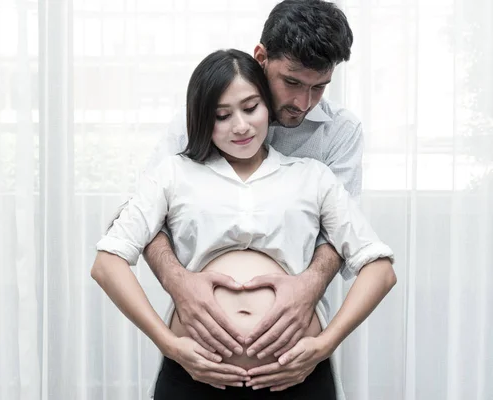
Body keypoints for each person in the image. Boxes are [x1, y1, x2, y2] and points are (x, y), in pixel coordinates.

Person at [92, 49, 396, 400]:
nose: (240, 126)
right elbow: (107, 262)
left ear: (267, 105)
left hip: (295, 374)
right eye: (222, 115)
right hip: (196, 373)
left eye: (251, 108)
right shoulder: (173, 174)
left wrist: (326, 344)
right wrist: (170, 344)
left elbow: (379, 269)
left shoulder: (312, 177)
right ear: (202, 119)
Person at [141, 0, 362, 389]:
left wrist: (309, 287)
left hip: (293, 359)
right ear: (261, 57)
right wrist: (178, 282)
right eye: (291, 82)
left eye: (319, 87)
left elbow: (343, 238)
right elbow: (143, 219)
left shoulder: (338, 133)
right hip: (200, 356)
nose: (303, 103)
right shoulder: (206, 117)